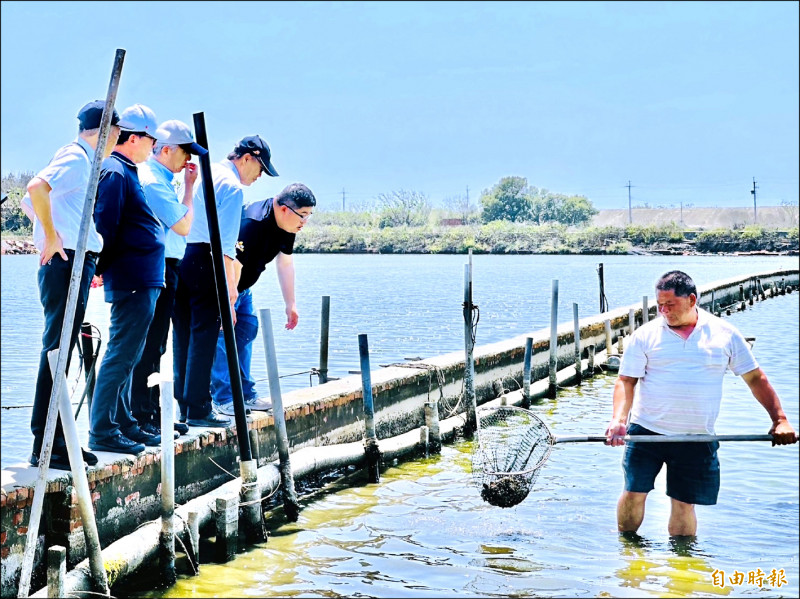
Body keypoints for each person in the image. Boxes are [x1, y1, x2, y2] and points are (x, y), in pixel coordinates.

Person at [605, 270, 797, 536]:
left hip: (696, 437)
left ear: (692, 299)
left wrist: (779, 420)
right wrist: (618, 421)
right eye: (659, 305)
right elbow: (626, 381)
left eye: (670, 304)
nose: (663, 311)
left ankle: (682, 567)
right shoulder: (645, 335)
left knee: (684, 504)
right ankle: (627, 554)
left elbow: (755, 378)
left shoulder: (725, 333)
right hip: (646, 432)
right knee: (634, 492)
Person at [22, 100, 121, 470]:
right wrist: (51, 237)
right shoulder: (78, 157)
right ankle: (47, 443)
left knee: (60, 350)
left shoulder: (82, 160)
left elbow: (31, 201)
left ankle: (56, 440)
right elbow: (35, 189)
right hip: (66, 262)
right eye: (118, 133)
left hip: (73, 260)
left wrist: (53, 231)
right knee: (57, 350)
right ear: (107, 131)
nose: (118, 140)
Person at [173, 135, 278, 427]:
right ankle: (199, 409)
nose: (259, 177)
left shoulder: (203, 174)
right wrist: (231, 292)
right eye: (260, 169)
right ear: (246, 158)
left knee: (183, 337)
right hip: (205, 258)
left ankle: (184, 406)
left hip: (180, 257)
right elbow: (226, 247)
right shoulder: (231, 188)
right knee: (205, 337)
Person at [89, 104, 166, 455]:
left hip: (141, 277)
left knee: (130, 354)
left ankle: (123, 424)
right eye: (151, 140)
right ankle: (103, 430)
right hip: (132, 278)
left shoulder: (128, 170)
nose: (154, 147)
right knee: (121, 352)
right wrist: (100, 267)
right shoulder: (116, 172)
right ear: (134, 138)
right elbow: (105, 224)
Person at [210, 183, 316, 415]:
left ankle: (246, 395)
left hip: (243, 288)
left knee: (247, 330)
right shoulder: (252, 223)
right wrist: (228, 303)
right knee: (221, 339)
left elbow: (285, 262)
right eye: (303, 215)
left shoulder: (288, 226)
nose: (304, 222)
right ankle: (223, 398)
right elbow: (233, 265)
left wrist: (291, 304)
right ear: (285, 209)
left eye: (309, 216)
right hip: (221, 287)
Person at [130, 120, 204, 437]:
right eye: (185, 152)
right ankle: (142, 415)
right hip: (155, 265)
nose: (189, 160)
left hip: (168, 265)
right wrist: (187, 191)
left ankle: (152, 412)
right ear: (167, 148)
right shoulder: (153, 180)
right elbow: (184, 225)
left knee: (158, 343)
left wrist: (185, 188)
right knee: (148, 344)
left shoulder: (164, 179)